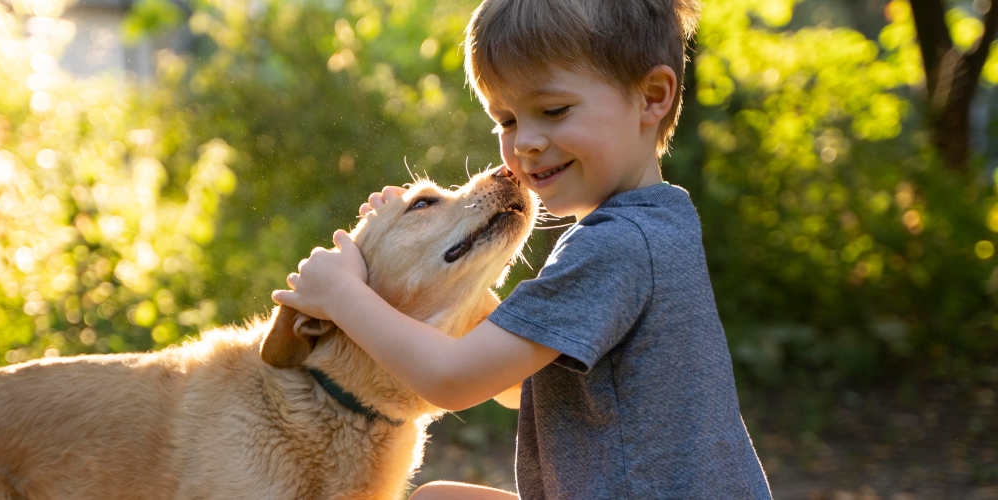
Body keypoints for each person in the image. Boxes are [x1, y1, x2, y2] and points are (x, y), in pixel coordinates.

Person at [272, 0, 773, 497]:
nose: (526, 142)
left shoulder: (613, 247)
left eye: (553, 111)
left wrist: (342, 294)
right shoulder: (658, 223)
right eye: (507, 120)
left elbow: (453, 380)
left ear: (652, 97)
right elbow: (517, 387)